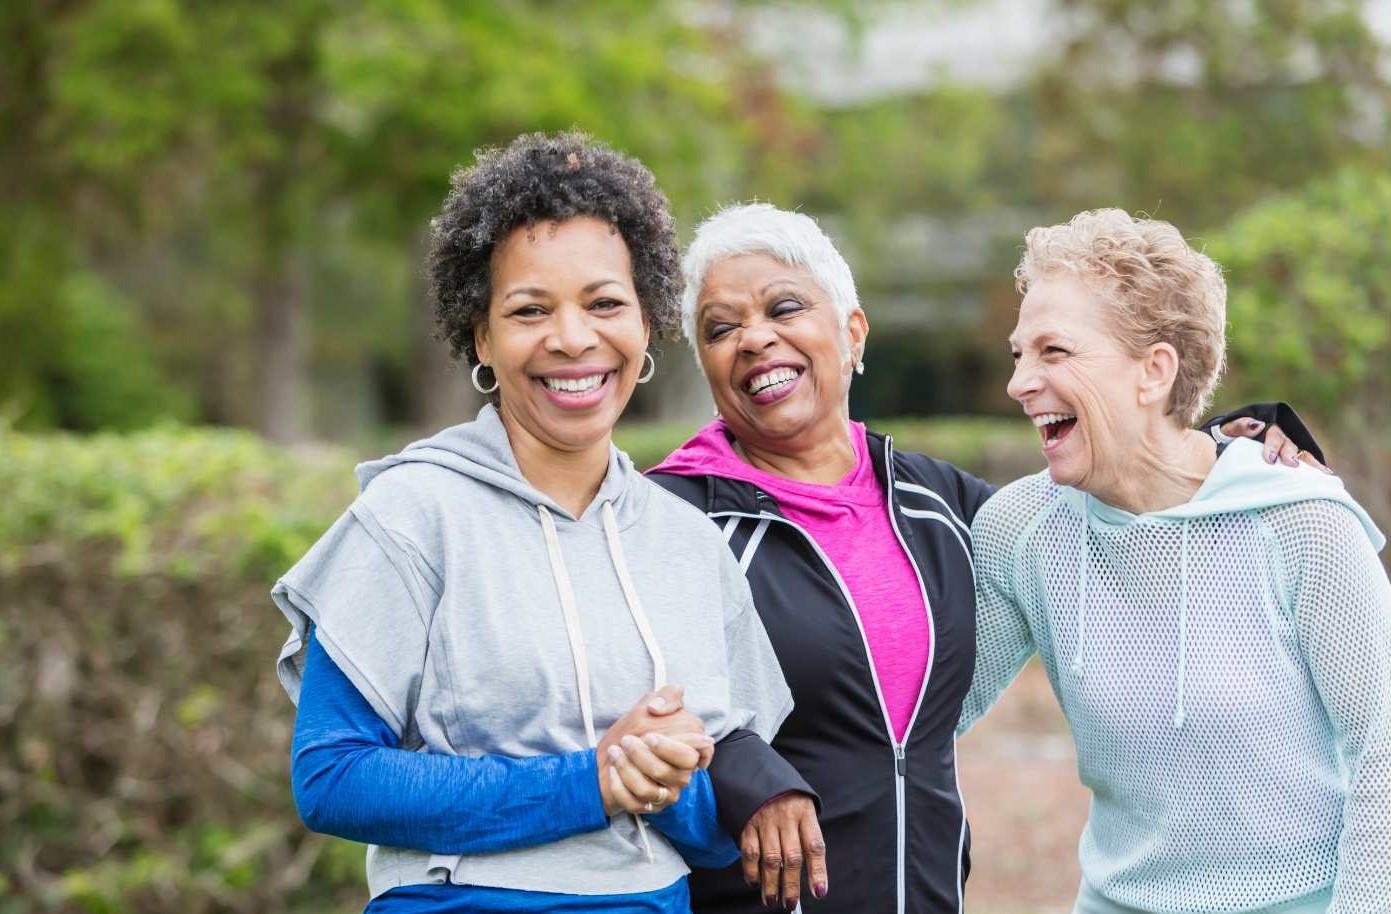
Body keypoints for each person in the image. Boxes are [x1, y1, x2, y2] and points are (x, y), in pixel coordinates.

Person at [645, 203, 1317, 914]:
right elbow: (624, 684)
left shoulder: (937, 503)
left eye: (783, 307)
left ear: (851, 333)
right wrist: (749, 774)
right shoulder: (669, 515)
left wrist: (1229, 445)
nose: (753, 338)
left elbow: (1107, 512)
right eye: (719, 329)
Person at [269, 133, 797, 914]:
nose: (574, 339)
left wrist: (668, 780)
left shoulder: (687, 542)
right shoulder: (413, 513)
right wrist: (591, 781)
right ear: (481, 336)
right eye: (529, 310)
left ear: (647, 321)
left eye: (604, 303)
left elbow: (717, 829)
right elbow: (332, 778)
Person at [961, 209, 1389, 914]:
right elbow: (919, 712)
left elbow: (1383, 750)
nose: (1019, 382)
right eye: (1017, 354)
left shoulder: (1301, 524)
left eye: (1054, 352)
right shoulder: (1020, 529)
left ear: (1153, 371)